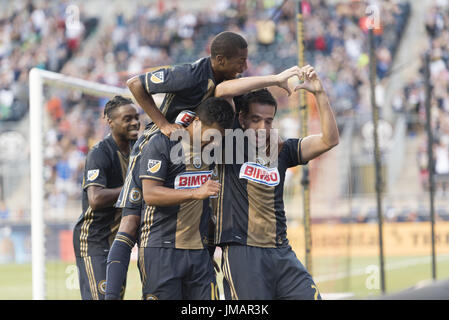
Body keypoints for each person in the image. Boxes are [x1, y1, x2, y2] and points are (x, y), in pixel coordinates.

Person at [105, 31, 248, 298]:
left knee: (196, 213)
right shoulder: (190, 74)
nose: (244, 67)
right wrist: (162, 123)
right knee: (130, 224)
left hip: (186, 152)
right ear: (220, 59)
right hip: (155, 147)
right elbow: (135, 83)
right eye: (240, 61)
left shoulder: (222, 83)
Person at [213, 65, 339, 299]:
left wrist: (319, 93)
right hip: (243, 253)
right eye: (256, 120)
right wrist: (275, 79)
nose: (263, 128)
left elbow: (329, 139)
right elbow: (221, 91)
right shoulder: (229, 146)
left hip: (281, 250)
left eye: (268, 121)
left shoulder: (282, 150)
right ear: (241, 119)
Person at [106, 97, 234, 300]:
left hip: (198, 254)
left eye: (217, 138)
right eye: (209, 136)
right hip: (161, 249)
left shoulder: (211, 151)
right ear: (197, 121)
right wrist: (195, 192)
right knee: (128, 223)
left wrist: (208, 248)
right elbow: (151, 194)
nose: (211, 142)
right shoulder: (162, 143)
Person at [72, 95, 140, 300]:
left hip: (118, 240)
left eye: (136, 117)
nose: (135, 122)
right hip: (95, 239)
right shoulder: (100, 153)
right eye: (127, 118)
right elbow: (96, 198)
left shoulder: (137, 150)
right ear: (110, 122)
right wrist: (134, 188)